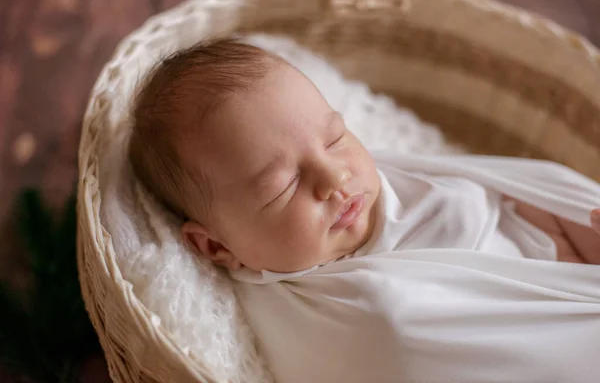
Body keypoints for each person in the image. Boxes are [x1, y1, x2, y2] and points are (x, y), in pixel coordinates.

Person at [128, 38, 600, 383]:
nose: (335, 179)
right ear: (217, 245)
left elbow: (509, 199)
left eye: (335, 137)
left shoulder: (407, 186)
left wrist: (572, 235)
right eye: (284, 186)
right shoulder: (355, 319)